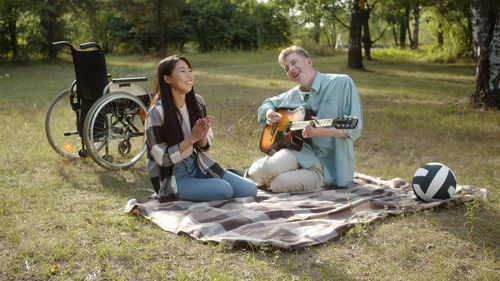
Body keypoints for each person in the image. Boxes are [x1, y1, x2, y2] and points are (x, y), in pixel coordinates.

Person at [246, 46, 363, 192]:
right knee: (260, 172)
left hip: (326, 168)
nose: (291, 69)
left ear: (309, 62)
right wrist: (268, 112)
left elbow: (355, 129)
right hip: (300, 151)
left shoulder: (341, 83)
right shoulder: (294, 95)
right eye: (287, 68)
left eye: (294, 62)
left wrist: (321, 132)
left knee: (278, 184)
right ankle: (263, 170)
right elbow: (268, 103)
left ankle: (285, 175)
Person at [145, 55, 257, 202]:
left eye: (190, 70)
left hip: (197, 164)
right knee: (224, 190)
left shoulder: (197, 102)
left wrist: (202, 137)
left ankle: (211, 181)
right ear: (167, 79)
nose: (189, 75)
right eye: (182, 71)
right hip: (173, 176)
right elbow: (163, 158)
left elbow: (204, 145)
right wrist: (191, 139)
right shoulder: (156, 113)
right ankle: (192, 189)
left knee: (250, 189)